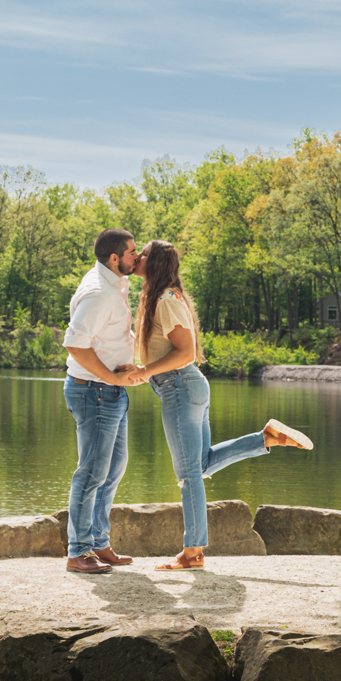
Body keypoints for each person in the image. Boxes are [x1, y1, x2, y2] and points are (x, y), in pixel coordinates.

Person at [132, 239, 313, 571]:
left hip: (180, 387)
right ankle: (265, 438)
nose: (137, 257)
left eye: (143, 253)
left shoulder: (166, 300)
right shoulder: (166, 297)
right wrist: (140, 373)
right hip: (188, 386)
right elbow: (163, 353)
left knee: (189, 475)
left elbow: (184, 353)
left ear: (155, 263)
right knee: (199, 466)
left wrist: (145, 372)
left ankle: (192, 553)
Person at [61, 228, 148, 574]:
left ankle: (98, 542)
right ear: (115, 258)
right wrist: (112, 377)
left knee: (112, 470)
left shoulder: (114, 282)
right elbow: (75, 343)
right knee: (91, 473)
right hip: (95, 391)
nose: (136, 257)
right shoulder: (99, 293)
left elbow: (111, 333)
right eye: (132, 252)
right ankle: (77, 552)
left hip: (110, 391)